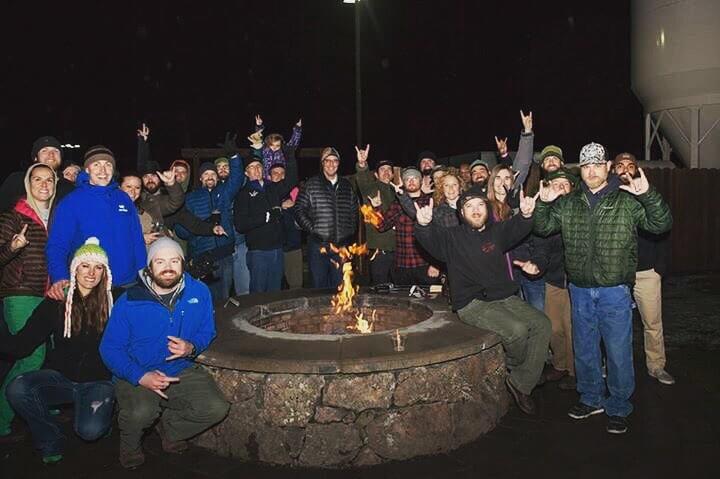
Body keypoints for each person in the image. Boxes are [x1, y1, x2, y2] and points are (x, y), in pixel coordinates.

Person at [534, 142, 672, 434]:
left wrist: (648, 196)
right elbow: (543, 228)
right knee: (584, 348)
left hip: (615, 289)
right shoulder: (569, 202)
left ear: (608, 166)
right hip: (580, 289)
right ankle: (591, 397)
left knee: (617, 350)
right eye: (586, 166)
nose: (592, 170)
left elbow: (661, 225)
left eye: (597, 164)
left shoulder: (627, 198)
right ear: (580, 170)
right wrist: (544, 203)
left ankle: (619, 405)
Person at [414, 190, 551, 415]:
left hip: (504, 296)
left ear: (487, 209)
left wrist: (526, 215)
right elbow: (431, 240)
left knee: (542, 323)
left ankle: (519, 381)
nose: (476, 210)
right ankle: (522, 372)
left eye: (480, 205)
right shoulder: (452, 237)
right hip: (472, 303)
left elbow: (517, 227)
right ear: (461, 213)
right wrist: (424, 225)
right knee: (516, 331)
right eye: (470, 206)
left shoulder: (497, 231)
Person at [99, 237, 229, 469]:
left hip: (179, 368)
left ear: (183, 262)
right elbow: (109, 348)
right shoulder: (129, 301)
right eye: (159, 261)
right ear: (149, 268)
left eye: (174, 261)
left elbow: (207, 330)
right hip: (137, 370)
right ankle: (130, 446)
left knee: (216, 408)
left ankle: (169, 429)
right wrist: (140, 376)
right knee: (142, 411)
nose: (168, 267)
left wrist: (192, 347)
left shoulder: (198, 291)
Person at [3, 238, 115, 464]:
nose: (91, 273)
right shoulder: (56, 302)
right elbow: (23, 344)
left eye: (98, 267)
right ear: (74, 268)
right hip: (61, 379)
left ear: (105, 272)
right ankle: (50, 439)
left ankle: (103, 414)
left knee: (90, 431)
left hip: (99, 382)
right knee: (18, 388)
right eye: (85, 265)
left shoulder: (115, 302)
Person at [0, 163, 57, 439]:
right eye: (38, 179)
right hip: (20, 293)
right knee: (30, 355)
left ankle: (34, 402)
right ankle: (3, 415)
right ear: (28, 183)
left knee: (45, 353)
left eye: (49, 180)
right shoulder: (13, 216)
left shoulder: (55, 217)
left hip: (48, 295)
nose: (44, 184)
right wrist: (12, 246)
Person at [45, 145, 146, 298]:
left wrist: (144, 274)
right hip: (90, 286)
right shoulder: (72, 202)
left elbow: (137, 240)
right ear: (87, 169)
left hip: (128, 283)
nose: (103, 171)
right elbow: (57, 244)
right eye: (96, 165)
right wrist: (60, 276)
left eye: (108, 165)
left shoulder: (123, 198)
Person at [613, 152, 675, 385]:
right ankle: (614, 367)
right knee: (614, 325)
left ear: (637, 169)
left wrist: (660, 267)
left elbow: (664, 230)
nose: (625, 169)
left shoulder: (649, 193)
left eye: (630, 165)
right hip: (617, 273)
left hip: (647, 272)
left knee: (652, 323)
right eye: (620, 166)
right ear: (613, 170)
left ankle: (657, 366)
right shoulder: (609, 195)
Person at [175, 154, 244, 302]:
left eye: (213, 173)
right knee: (204, 298)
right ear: (200, 178)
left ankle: (223, 325)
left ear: (217, 177)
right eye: (206, 174)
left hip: (224, 253)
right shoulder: (190, 198)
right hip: (202, 256)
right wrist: (198, 227)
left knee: (224, 297)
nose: (210, 177)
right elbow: (181, 230)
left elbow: (237, 178)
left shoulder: (224, 193)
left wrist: (234, 156)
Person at [295, 147, 358, 289]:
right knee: (319, 290)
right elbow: (299, 210)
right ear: (322, 163)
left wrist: (350, 231)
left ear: (338, 163)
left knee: (341, 289)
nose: (331, 164)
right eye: (327, 161)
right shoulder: (311, 184)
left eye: (335, 161)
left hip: (341, 248)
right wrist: (313, 230)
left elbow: (354, 211)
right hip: (319, 247)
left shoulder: (346, 186)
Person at [370, 167, 439, 286]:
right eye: (407, 179)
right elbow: (381, 226)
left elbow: (439, 236)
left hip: (425, 266)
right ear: (403, 182)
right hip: (402, 266)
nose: (411, 181)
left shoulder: (431, 202)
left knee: (431, 302)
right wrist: (377, 209)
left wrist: (436, 264)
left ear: (421, 181)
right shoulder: (397, 204)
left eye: (415, 178)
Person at [234, 157, 292, 292]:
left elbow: (291, 181)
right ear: (246, 173)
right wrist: (265, 217)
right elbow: (240, 225)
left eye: (259, 166)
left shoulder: (273, 187)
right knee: (258, 293)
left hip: (277, 249)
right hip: (258, 252)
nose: (256, 170)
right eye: (252, 167)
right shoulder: (243, 194)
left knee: (275, 292)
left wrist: (290, 157)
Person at [353, 144, 398, 285]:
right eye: (382, 170)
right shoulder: (372, 189)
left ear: (392, 174)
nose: (386, 172)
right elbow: (363, 179)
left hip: (399, 250)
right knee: (381, 290)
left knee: (399, 290)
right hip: (380, 250)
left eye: (389, 170)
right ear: (376, 175)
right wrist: (362, 164)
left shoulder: (398, 192)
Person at [0, 136, 74, 212]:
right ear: (35, 158)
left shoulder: (68, 186)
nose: (51, 154)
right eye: (44, 150)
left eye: (56, 151)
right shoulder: (16, 180)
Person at [269, 163, 303, 289]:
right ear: (269, 176)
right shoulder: (265, 192)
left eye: (282, 173)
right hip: (272, 248)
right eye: (275, 173)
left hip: (292, 247)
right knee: (274, 287)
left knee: (296, 286)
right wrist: (280, 205)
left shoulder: (295, 192)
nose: (279, 176)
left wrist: (294, 206)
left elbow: (305, 216)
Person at [253, 114, 303, 180]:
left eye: (277, 145)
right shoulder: (265, 150)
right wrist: (259, 126)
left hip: (280, 178)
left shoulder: (283, 151)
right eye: (272, 145)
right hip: (266, 178)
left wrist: (297, 128)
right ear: (268, 144)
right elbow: (257, 139)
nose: (274, 147)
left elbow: (294, 143)